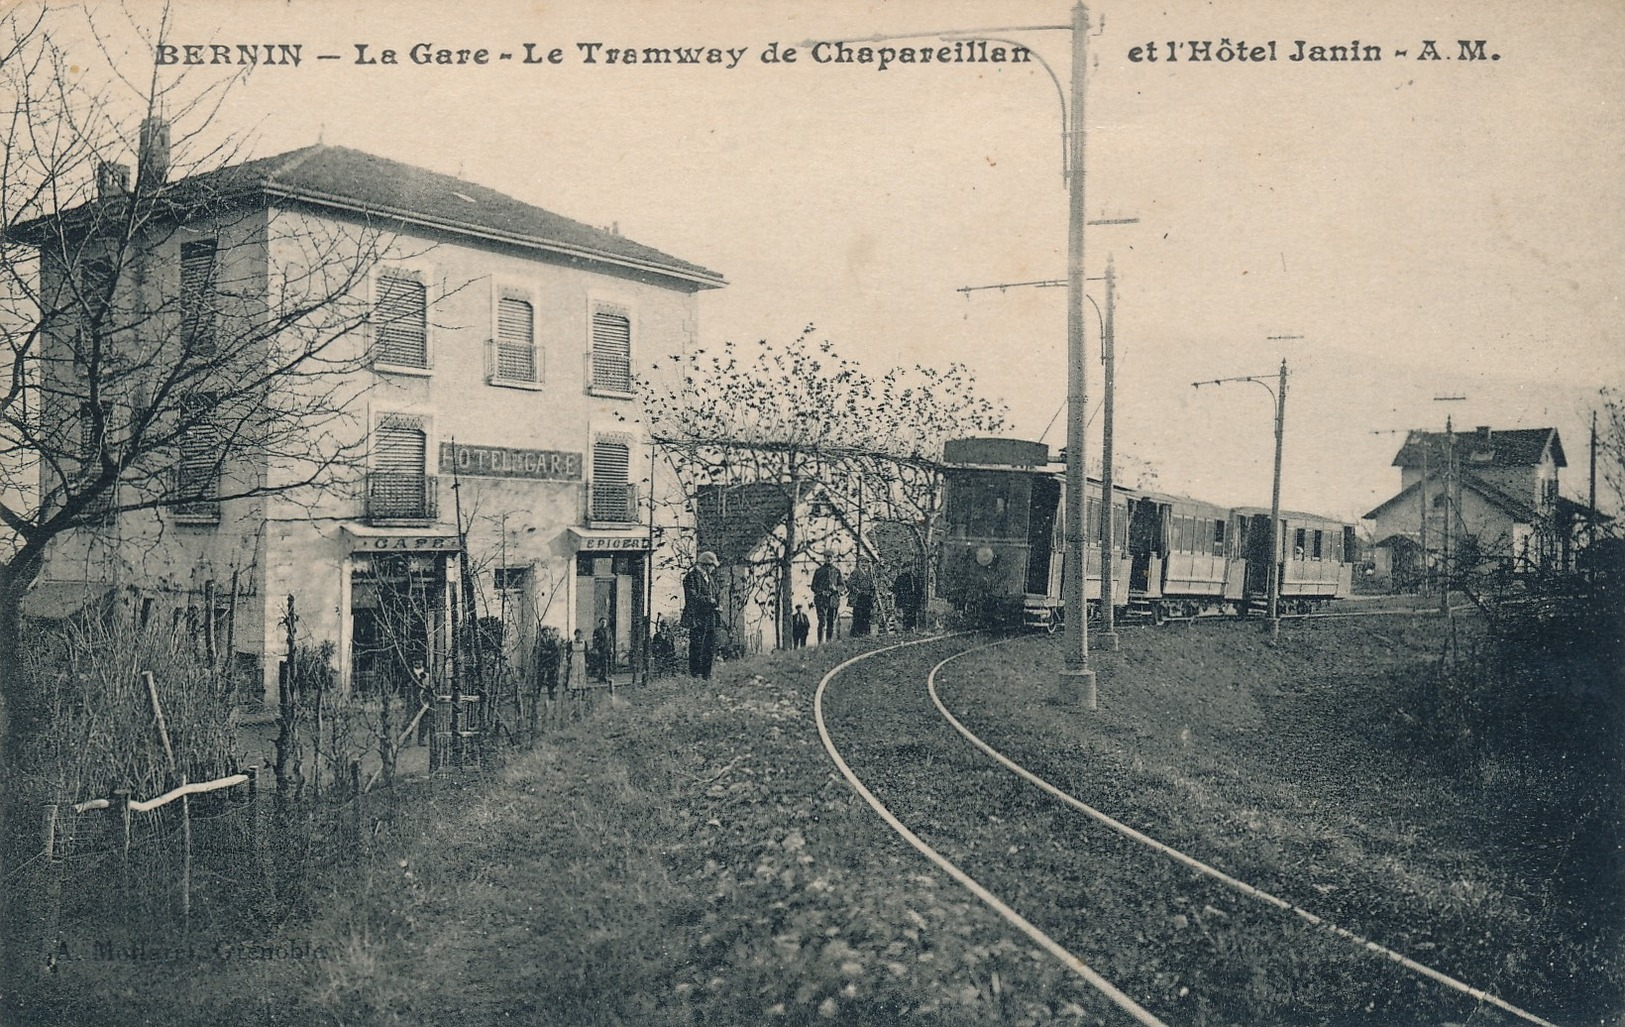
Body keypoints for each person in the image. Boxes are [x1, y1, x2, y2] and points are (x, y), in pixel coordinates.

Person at [683, 550, 721, 679]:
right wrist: (709, 600)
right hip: (697, 617)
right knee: (697, 645)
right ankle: (695, 673)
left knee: (709, 645)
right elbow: (692, 597)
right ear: (705, 565)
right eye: (712, 566)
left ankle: (706, 673)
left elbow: (715, 593)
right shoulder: (691, 578)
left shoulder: (710, 578)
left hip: (710, 616)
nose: (713, 569)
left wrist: (717, 604)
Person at [811, 553, 844, 644]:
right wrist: (822, 592)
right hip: (821, 600)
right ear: (824, 558)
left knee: (831, 622)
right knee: (822, 621)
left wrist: (836, 589)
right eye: (827, 557)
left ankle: (829, 642)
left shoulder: (837, 571)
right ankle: (820, 643)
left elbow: (842, 586)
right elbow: (813, 586)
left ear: (833, 558)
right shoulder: (819, 571)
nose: (828, 559)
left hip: (833, 600)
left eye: (830, 557)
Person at [848, 560, 875, 637]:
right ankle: (855, 635)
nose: (864, 565)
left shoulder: (870, 574)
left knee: (866, 617)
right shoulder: (855, 572)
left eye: (866, 563)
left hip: (867, 598)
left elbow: (872, 585)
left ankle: (866, 634)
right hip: (858, 599)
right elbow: (850, 584)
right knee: (858, 617)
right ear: (859, 564)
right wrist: (857, 591)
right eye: (862, 563)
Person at [567, 628, 588, 696]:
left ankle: (582, 688)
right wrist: (569, 662)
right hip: (574, 657)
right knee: (574, 672)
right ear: (575, 634)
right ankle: (573, 689)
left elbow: (587, 653)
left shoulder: (584, 642)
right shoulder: (571, 642)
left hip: (582, 657)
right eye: (577, 634)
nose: (578, 635)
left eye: (580, 634)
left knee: (582, 672)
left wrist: (587, 662)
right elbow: (568, 652)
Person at [591, 617, 613, 683]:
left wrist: (611, 648)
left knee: (607, 663)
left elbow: (610, 640)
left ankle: (605, 676)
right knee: (601, 663)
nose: (604, 623)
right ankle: (600, 677)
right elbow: (594, 640)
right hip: (600, 649)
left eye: (605, 622)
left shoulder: (608, 630)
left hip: (607, 649)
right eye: (602, 622)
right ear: (600, 623)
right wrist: (596, 648)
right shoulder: (597, 630)